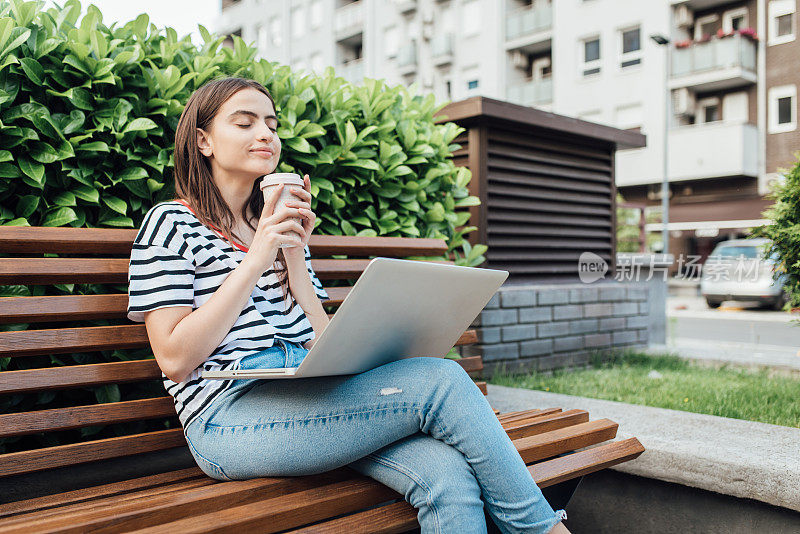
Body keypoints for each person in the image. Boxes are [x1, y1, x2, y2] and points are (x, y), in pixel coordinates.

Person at [127, 76, 570, 534]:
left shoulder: (278, 230)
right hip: (228, 419)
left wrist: (295, 263)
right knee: (442, 380)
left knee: (447, 475)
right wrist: (258, 256)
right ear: (203, 141)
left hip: (310, 398)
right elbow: (176, 359)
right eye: (244, 123)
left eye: (272, 124)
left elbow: (322, 340)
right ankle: (541, 529)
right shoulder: (171, 223)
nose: (265, 134)